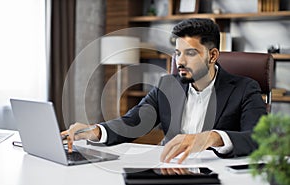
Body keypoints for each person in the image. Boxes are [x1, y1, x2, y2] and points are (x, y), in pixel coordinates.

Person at [62, 18, 266, 164]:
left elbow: (258, 138)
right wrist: (94, 131)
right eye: (177, 53)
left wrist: (209, 138)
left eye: (190, 53)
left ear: (212, 55)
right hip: (170, 169)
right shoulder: (167, 86)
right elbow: (132, 122)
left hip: (217, 177)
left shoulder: (245, 88)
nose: (180, 61)